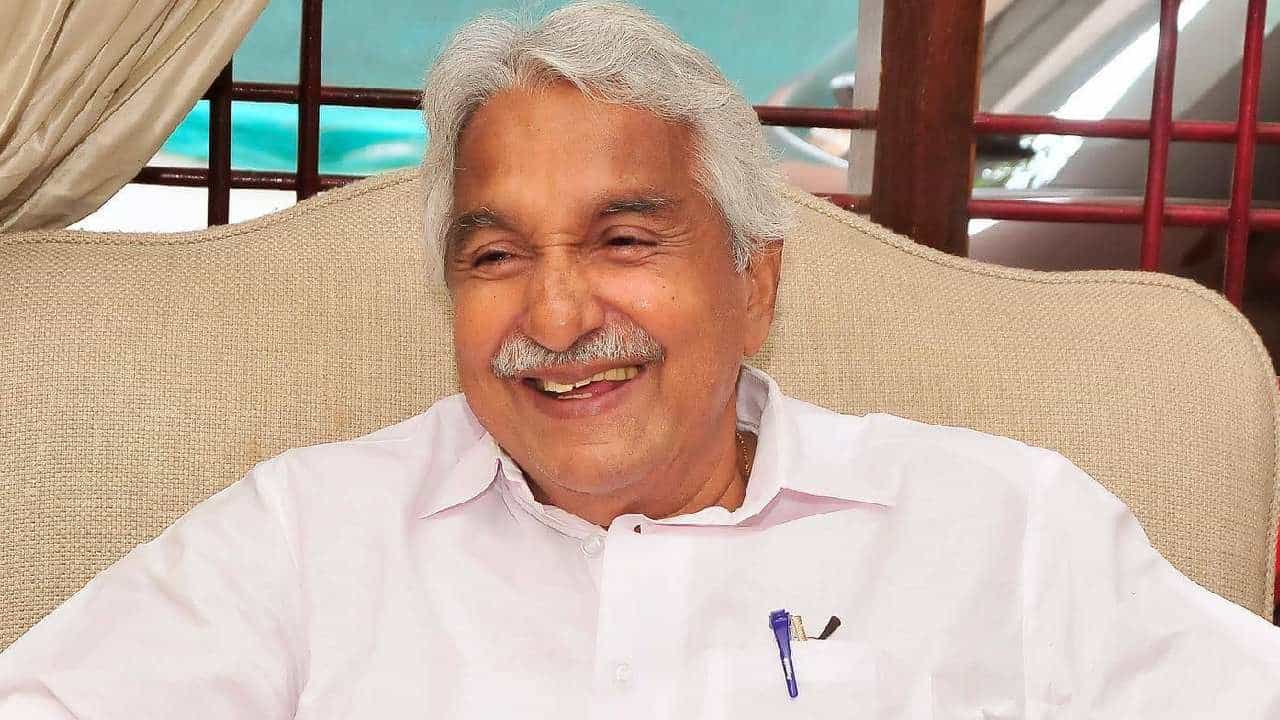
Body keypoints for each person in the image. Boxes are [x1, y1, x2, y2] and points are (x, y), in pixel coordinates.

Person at [3, 2, 1280, 717]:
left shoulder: (1003, 531)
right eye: (495, 255)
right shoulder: (304, 539)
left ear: (753, 283)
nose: (557, 318)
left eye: (623, 239)